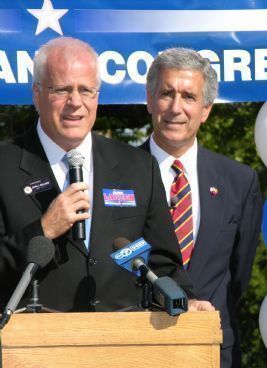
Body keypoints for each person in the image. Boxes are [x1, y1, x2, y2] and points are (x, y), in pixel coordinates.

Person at [0, 37, 212, 313]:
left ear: (97, 96)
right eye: (62, 89)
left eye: (86, 90)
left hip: (122, 346)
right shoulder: (5, 165)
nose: (75, 102)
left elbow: (163, 264)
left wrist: (186, 300)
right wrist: (43, 230)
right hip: (31, 348)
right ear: (37, 94)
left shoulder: (138, 166)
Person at [140, 47, 262, 368]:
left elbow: (238, 276)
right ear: (150, 100)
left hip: (213, 348)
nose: (176, 108)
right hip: (137, 342)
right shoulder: (116, 175)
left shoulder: (239, 180)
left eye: (189, 97)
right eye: (167, 94)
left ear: (206, 109)